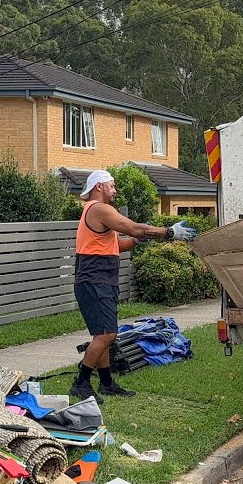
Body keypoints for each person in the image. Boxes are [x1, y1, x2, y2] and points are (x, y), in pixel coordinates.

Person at [70, 169, 198, 403]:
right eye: (112, 185)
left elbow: (118, 244)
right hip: (95, 281)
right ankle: (81, 383)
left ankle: (107, 384)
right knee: (107, 334)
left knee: (104, 334)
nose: (115, 190)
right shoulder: (99, 209)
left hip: (100, 281)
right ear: (99, 186)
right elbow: (133, 227)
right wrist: (169, 232)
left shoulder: (95, 213)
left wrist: (139, 239)